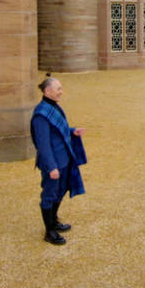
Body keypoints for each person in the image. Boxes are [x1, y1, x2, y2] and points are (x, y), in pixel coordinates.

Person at [30, 77, 87, 246]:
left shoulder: (53, 106)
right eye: (58, 89)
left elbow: (59, 130)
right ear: (47, 91)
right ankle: (49, 232)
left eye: (61, 88)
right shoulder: (41, 115)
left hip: (64, 158)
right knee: (49, 195)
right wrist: (51, 167)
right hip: (53, 163)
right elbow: (43, 144)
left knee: (60, 191)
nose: (61, 91)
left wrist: (72, 131)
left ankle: (54, 221)